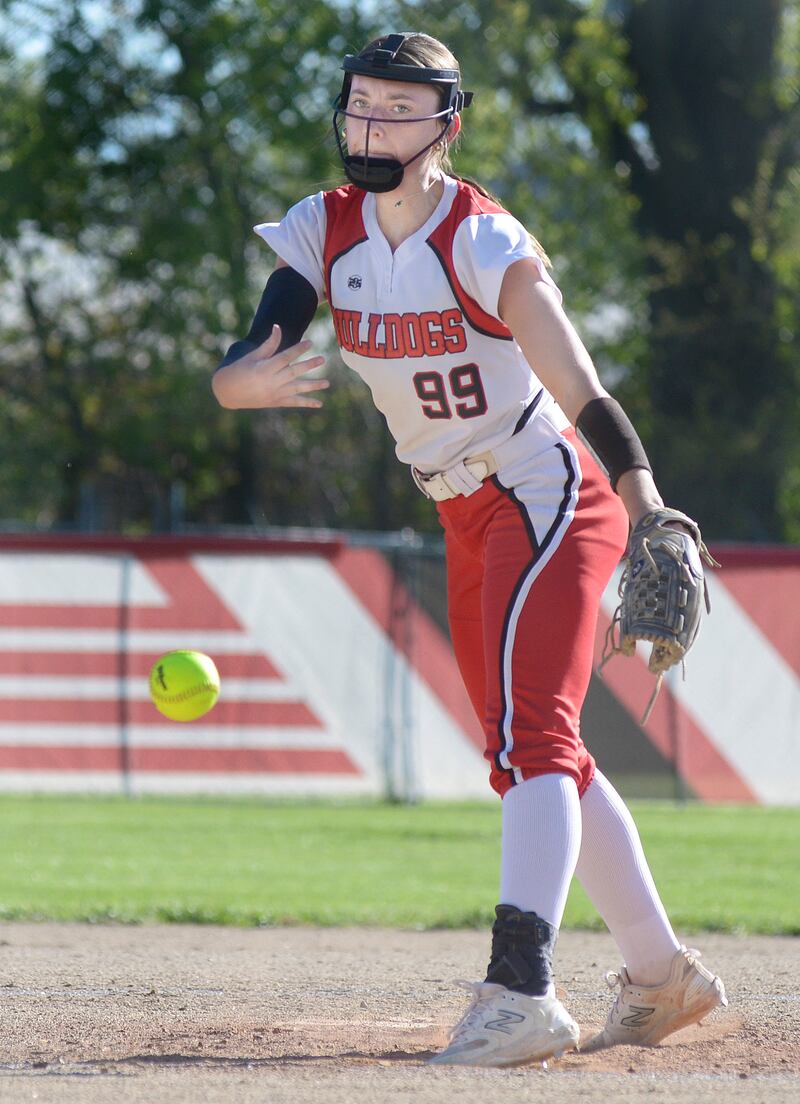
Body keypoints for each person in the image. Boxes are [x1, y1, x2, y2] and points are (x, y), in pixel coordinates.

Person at [211, 32, 726, 1067]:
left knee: (533, 740)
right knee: (531, 752)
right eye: (361, 102)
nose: (371, 125)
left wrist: (647, 505)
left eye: (397, 108)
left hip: (545, 492)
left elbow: (580, 388)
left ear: (446, 125)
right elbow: (245, 358)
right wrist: (240, 383)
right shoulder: (325, 226)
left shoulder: (483, 242)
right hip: (461, 512)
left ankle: (521, 989)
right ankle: (660, 974)